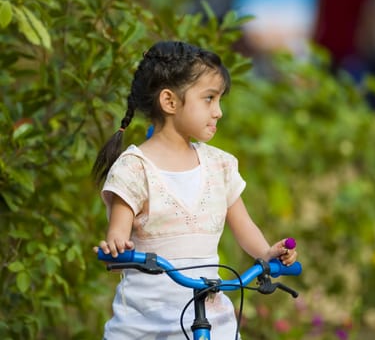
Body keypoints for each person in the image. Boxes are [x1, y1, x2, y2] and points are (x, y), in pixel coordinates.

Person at [92, 41, 298, 340]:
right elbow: (118, 236)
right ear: (170, 101)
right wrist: (116, 246)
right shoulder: (135, 169)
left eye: (219, 101)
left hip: (210, 315)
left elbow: (244, 226)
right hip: (148, 324)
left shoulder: (219, 166)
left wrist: (268, 253)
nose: (219, 113)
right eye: (209, 99)